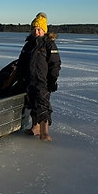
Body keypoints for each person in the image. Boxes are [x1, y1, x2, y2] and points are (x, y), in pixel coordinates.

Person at [17, 12, 61, 141]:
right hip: (29, 80)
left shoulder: (49, 45)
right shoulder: (28, 45)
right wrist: (20, 76)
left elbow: (55, 64)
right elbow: (21, 62)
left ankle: (44, 132)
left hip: (43, 81)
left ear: (44, 30)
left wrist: (53, 80)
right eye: (34, 29)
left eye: (39, 29)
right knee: (32, 103)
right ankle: (35, 127)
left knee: (42, 104)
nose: (36, 32)